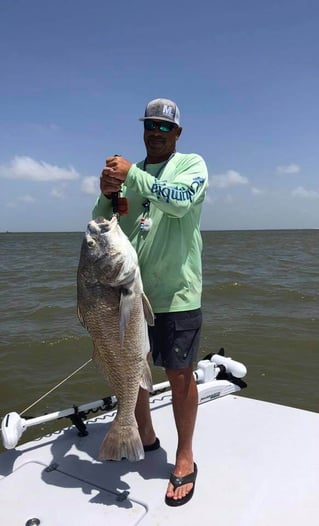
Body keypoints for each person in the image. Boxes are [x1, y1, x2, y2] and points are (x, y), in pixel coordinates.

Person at [92, 98, 208, 506]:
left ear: (177, 133)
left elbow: (178, 202)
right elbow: (100, 225)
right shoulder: (129, 176)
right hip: (127, 293)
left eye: (164, 127)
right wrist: (109, 193)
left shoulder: (191, 166)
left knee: (179, 375)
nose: (155, 133)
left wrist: (133, 177)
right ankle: (142, 432)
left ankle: (185, 456)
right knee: (133, 367)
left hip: (176, 293)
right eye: (150, 126)